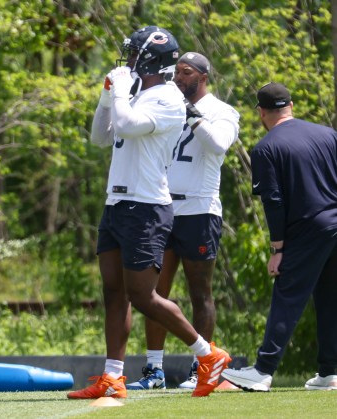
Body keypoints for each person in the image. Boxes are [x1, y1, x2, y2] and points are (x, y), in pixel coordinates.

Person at [66, 26, 231, 400]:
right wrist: (107, 98)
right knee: (114, 293)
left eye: (134, 53)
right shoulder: (136, 94)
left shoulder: (169, 97)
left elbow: (129, 126)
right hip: (116, 202)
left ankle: (208, 355)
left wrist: (121, 94)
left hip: (146, 207)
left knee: (144, 296)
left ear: (150, 58)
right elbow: (101, 136)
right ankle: (113, 376)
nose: (127, 60)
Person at [128, 52, 240, 391]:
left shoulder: (222, 111)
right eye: (176, 71)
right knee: (153, 291)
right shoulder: (166, 105)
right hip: (160, 208)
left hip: (198, 210)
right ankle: (154, 370)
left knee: (199, 292)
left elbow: (219, 145)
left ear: (203, 77)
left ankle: (201, 367)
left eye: (186, 72)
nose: (178, 78)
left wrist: (191, 115)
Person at [222, 82, 337, 391]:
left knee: (288, 296)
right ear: (291, 106)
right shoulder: (329, 135)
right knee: (329, 299)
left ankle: (263, 370)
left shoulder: (266, 148)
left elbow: (274, 203)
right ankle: (329, 372)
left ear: (261, 113)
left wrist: (277, 248)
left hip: (307, 229)